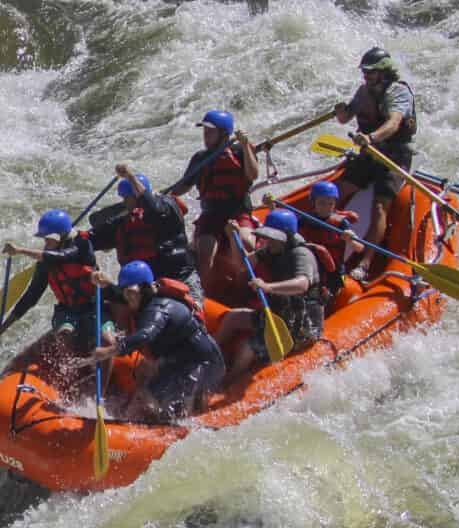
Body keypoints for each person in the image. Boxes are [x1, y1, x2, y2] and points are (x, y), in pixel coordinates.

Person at [92, 261, 225, 424]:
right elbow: (121, 294)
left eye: (131, 293)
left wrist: (110, 350)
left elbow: (145, 335)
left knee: (177, 408)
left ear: (144, 288)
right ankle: (154, 419)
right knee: (144, 389)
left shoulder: (160, 308)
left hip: (203, 364)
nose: (128, 297)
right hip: (180, 360)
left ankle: (177, 424)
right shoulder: (140, 295)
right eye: (126, 293)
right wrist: (106, 285)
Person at [332, 46, 416, 281]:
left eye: (370, 71)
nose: (365, 75)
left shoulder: (398, 92)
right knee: (339, 190)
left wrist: (371, 138)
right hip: (369, 153)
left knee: (379, 207)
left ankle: (366, 262)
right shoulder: (363, 91)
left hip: (394, 156)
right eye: (364, 71)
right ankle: (324, 236)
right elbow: (346, 118)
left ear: (383, 72)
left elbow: (394, 123)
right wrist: (341, 112)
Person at [218, 209, 323, 378]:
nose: (268, 240)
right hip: (279, 315)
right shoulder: (271, 250)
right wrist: (232, 238)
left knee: (248, 346)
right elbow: (241, 265)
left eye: (273, 237)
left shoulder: (301, 254)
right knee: (233, 318)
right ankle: (213, 360)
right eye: (268, 236)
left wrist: (268, 287)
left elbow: (302, 284)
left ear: (287, 237)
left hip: (302, 324)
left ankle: (230, 381)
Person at [88, 163, 204, 310]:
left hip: (180, 280)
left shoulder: (167, 209)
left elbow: (153, 208)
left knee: (195, 310)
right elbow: (94, 239)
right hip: (145, 290)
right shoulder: (124, 223)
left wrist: (130, 176)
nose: (124, 202)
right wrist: (70, 238)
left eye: (126, 197)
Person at [0, 208, 108, 356]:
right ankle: (70, 370)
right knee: (65, 336)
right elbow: (31, 297)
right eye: (44, 240)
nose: (45, 243)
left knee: (106, 340)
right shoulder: (45, 264)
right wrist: (4, 327)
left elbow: (62, 256)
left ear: (62, 237)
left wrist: (21, 250)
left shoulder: (83, 246)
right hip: (67, 311)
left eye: (48, 239)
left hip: (94, 306)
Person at [165, 109, 259, 288]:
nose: (205, 135)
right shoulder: (200, 158)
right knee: (205, 251)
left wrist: (246, 146)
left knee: (246, 242)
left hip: (238, 212)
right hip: (211, 215)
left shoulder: (240, 150)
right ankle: (202, 297)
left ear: (224, 134)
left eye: (210, 132)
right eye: (205, 132)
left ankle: (247, 288)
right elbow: (183, 186)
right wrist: (162, 196)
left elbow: (253, 175)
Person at [284, 179, 364, 286]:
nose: (326, 207)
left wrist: (351, 239)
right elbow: (285, 230)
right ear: (313, 202)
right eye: (322, 203)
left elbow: (360, 248)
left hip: (334, 270)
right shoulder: (305, 219)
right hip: (310, 263)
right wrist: (271, 207)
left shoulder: (340, 223)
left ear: (335, 203)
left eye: (330, 203)